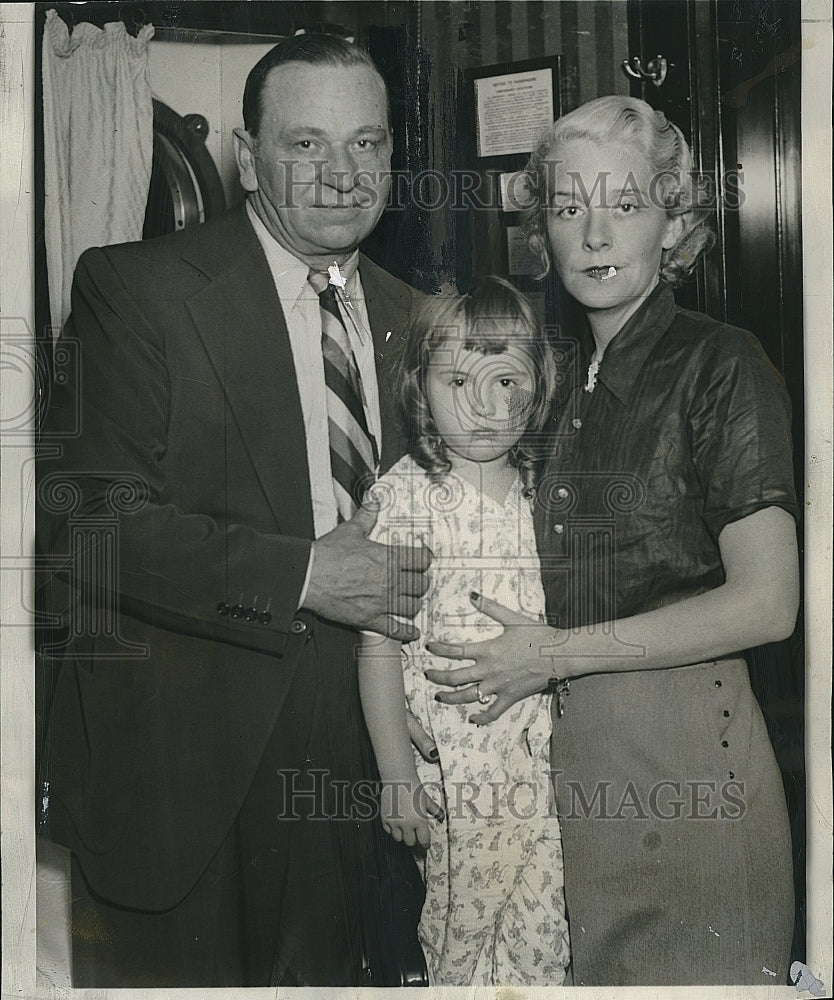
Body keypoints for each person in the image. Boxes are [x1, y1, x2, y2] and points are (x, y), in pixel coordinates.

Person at [36, 33, 434, 988]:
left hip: (375, 770)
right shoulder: (133, 290)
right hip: (188, 779)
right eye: (307, 145)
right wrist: (303, 573)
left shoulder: (423, 319)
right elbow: (88, 527)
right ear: (250, 159)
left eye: (368, 145)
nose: (343, 176)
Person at [425, 96, 799, 986]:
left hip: (687, 768)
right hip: (559, 775)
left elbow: (768, 603)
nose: (594, 234)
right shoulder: (538, 375)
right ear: (541, 231)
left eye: (625, 206)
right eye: (566, 209)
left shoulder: (725, 363)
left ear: (674, 224)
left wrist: (554, 653)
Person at [357, 278, 571, 986]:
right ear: (422, 387)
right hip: (455, 772)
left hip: (545, 768)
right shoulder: (407, 495)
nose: (483, 405)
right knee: (460, 941)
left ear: (536, 390)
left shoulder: (549, 489)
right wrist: (394, 776)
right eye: (458, 379)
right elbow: (379, 643)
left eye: (505, 378)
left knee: (544, 944)